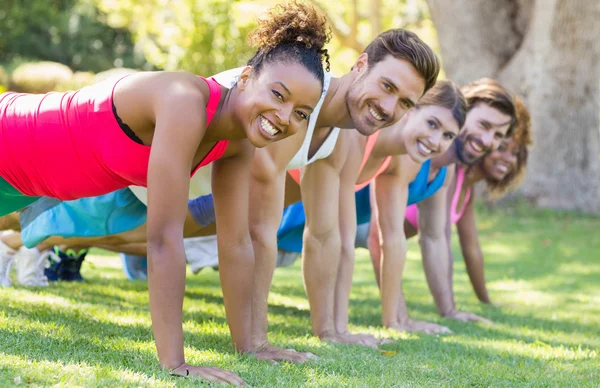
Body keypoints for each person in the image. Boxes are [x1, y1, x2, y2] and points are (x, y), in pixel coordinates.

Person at [7, 28, 441, 357]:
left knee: (46, 217)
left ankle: (22, 242)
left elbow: (269, 240)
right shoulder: (209, 101)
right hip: (47, 153)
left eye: (405, 103)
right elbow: (206, 237)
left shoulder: (272, 136)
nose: (389, 107)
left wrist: (284, 339)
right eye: (388, 87)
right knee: (71, 226)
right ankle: (24, 245)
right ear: (361, 65)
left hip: (58, 179)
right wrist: (189, 358)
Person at [0, 1, 330, 385]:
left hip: (22, 186)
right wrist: (176, 363)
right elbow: (164, 238)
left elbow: (236, 242)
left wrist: (252, 345)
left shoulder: (238, 144)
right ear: (244, 78)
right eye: (278, 94)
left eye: (301, 113)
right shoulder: (184, 100)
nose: (285, 116)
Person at [279, 81, 465, 343]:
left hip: (287, 224)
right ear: (411, 109)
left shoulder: (403, 160)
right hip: (273, 210)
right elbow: (340, 239)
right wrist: (338, 332)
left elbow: (391, 239)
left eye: (448, 136)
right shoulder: (359, 135)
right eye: (432, 124)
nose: (436, 141)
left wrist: (397, 322)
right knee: (205, 231)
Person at [367, 78, 518, 330]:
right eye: (483, 125)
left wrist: (449, 311)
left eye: (498, 135)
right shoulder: (408, 152)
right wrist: (398, 319)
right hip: (299, 222)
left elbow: (434, 238)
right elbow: (378, 237)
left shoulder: (443, 170)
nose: (487, 140)